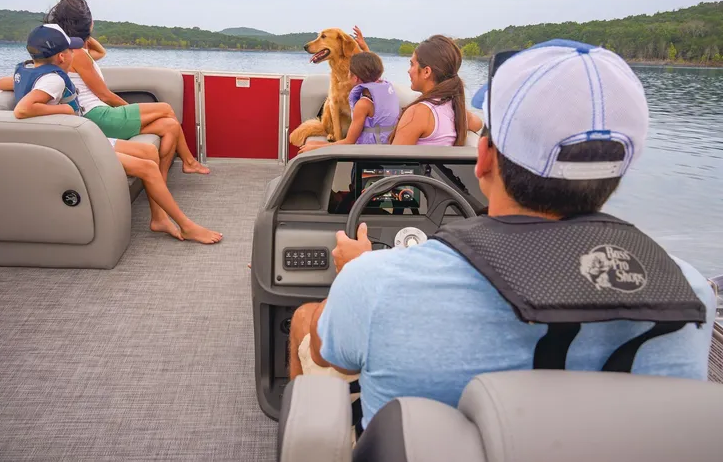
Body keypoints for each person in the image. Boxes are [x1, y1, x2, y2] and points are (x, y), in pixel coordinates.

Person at [288, 39, 715, 435]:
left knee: (308, 320)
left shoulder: (377, 281)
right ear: (621, 167)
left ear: (485, 157)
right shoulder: (690, 293)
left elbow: (329, 354)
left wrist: (356, 271)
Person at [11, 24, 222, 244]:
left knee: (149, 151)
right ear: (63, 56)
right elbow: (23, 109)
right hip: (76, 147)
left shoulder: (27, 72)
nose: (77, 54)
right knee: (149, 167)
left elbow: (5, 84)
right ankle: (186, 226)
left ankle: (159, 218)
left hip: (81, 138)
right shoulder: (53, 80)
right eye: (72, 51)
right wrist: (65, 109)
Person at [0, 0, 209, 177]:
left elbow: (101, 53)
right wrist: (131, 110)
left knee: (169, 125)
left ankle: (163, 177)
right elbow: (105, 95)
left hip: (97, 112)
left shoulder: (73, 53)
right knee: (165, 109)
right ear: (87, 24)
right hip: (96, 115)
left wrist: (83, 36)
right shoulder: (77, 55)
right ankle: (188, 162)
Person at [351, 29, 484, 146]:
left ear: (426, 72)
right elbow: (478, 123)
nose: (409, 71)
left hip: (405, 174)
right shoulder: (455, 108)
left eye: (412, 64)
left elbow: (393, 162)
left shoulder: (418, 113)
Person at [299, 52, 400, 153]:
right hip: (385, 148)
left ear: (355, 78)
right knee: (313, 143)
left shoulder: (363, 104)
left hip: (371, 154)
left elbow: (349, 142)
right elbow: (372, 65)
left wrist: (315, 147)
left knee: (310, 147)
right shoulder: (387, 89)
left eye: (349, 72)